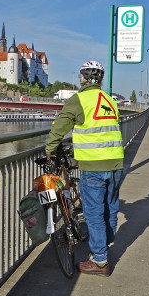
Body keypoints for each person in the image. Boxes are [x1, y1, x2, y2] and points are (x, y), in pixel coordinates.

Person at [45, 60, 124, 277]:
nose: (79, 78)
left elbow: (60, 127)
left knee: (94, 213)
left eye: (80, 75)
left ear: (84, 78)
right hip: (116, 163)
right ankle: (104, 246)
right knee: (110, 207)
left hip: (94, 165)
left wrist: (50, 149)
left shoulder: (78, 99)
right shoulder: (110, 100)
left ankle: (100, 262)